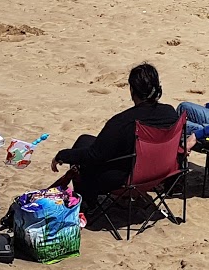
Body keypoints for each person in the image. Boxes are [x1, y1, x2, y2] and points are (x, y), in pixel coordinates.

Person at [50, 63, 177, 203]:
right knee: (84, 140)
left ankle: (88, 204)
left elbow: (94, 155)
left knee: (82, 153)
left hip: (127, 177)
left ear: (132, 90)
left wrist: (63, 155)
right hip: (159, 172)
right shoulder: (170, 113)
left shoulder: (123, 122)